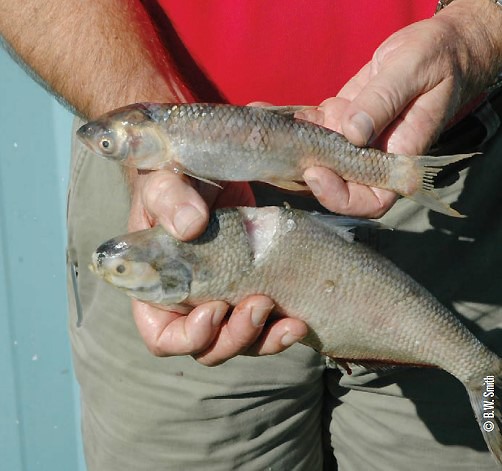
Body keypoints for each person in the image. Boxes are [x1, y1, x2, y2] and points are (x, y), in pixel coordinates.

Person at [1, 0, 502, 469]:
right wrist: (127, 108)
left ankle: (488, 390)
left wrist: (482, 28)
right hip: (164, 199)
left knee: (468, 392)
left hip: (455, 161)